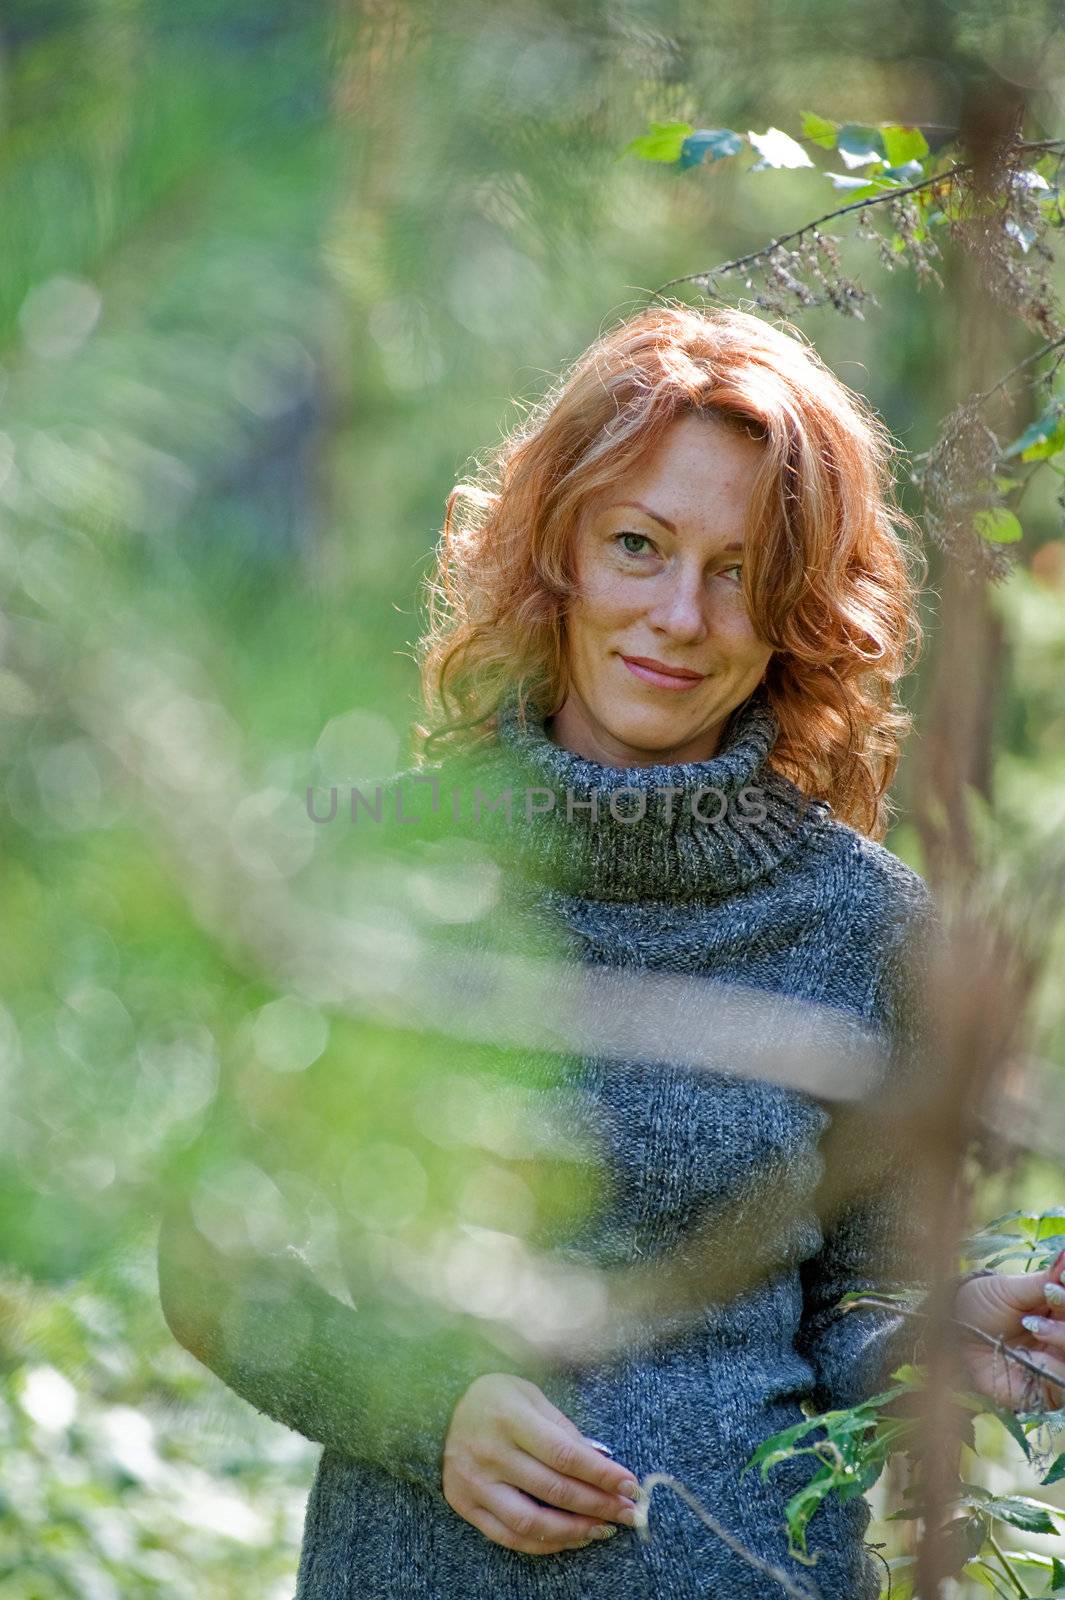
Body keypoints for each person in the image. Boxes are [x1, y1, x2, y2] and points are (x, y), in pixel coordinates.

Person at [157, 302, 1065, 1599]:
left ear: (796, 610)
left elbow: (853, 1309)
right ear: (558, 554)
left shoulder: (867, 925)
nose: (679, 617)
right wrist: (428, 1414)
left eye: (739, 570)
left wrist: (941, 1330)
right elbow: (212, 1265)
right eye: (638, 546)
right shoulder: (377, 881)